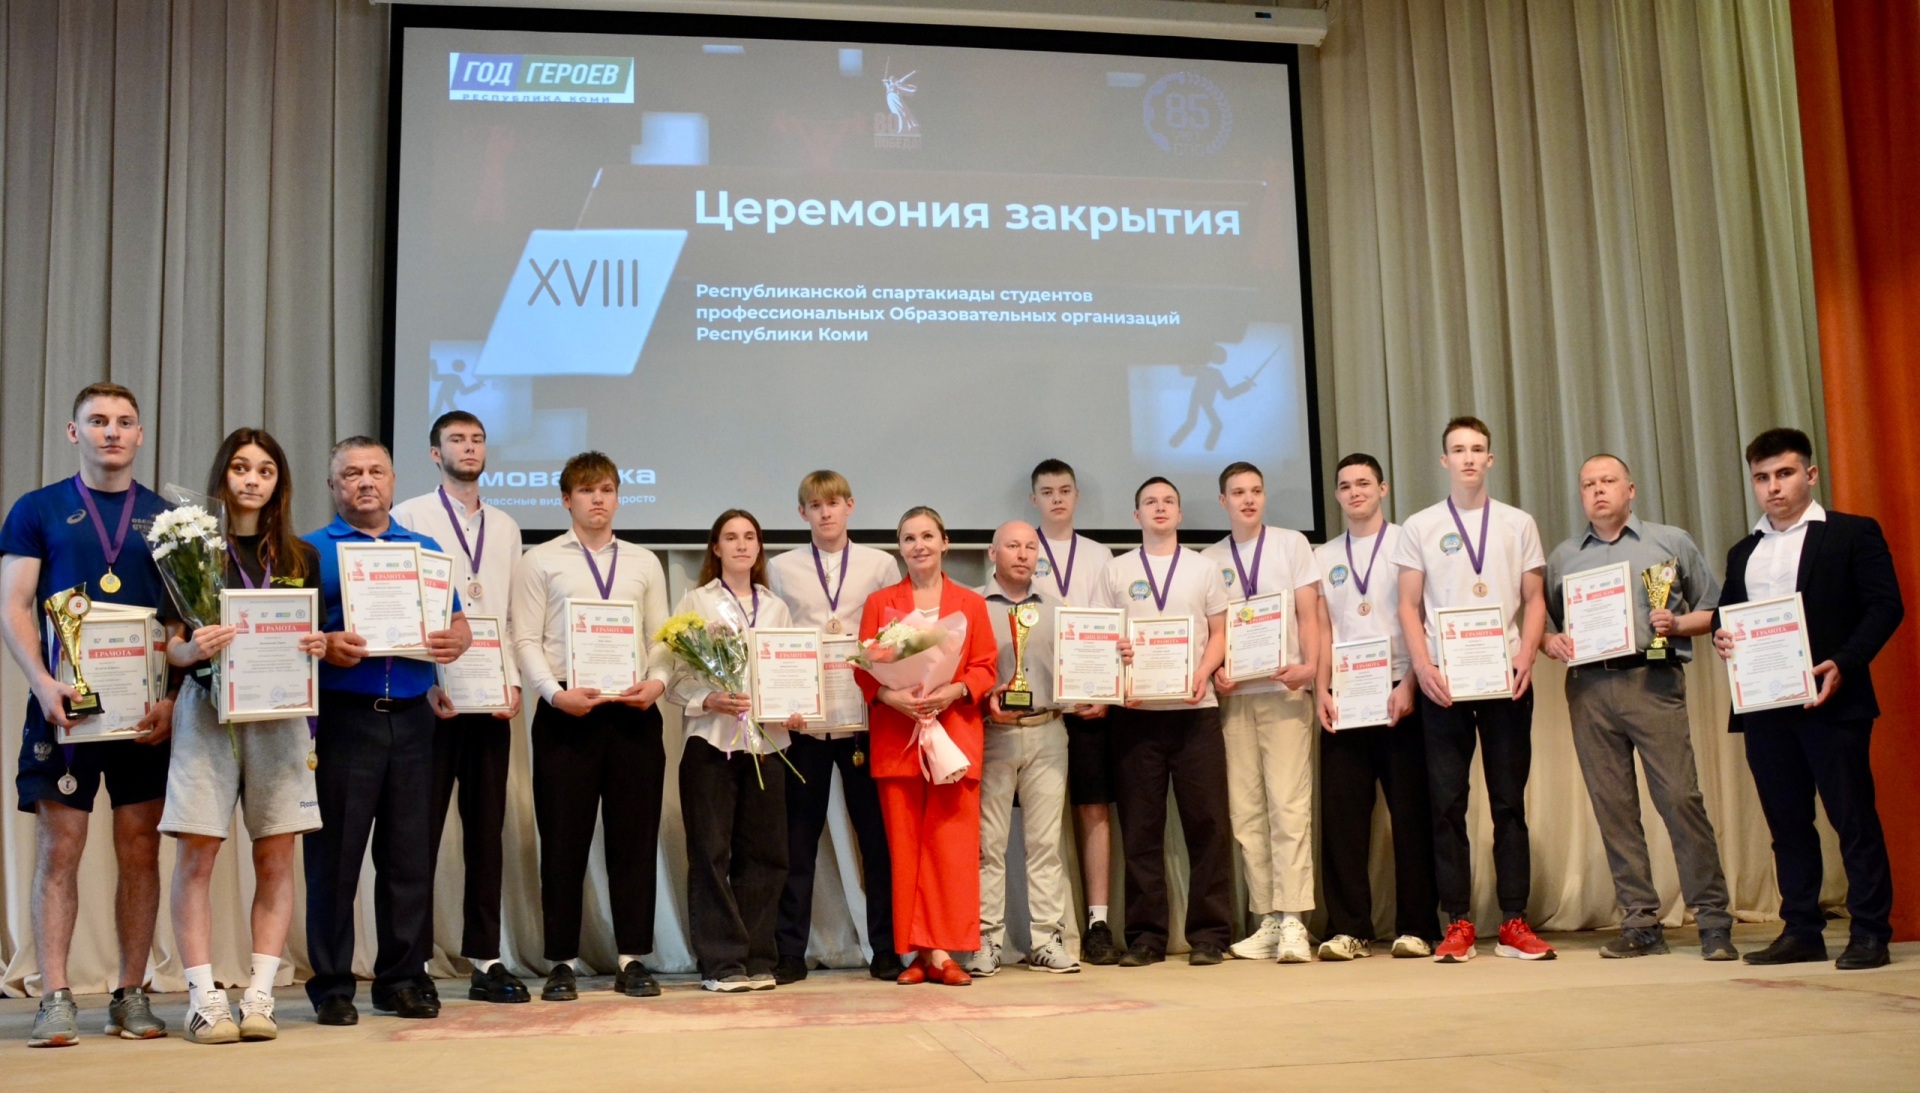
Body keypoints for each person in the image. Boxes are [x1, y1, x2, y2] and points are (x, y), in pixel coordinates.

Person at [3, 383, 176, 1047]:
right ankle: (54, 997)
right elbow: (14, 604)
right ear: (74, 432)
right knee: (61, 848)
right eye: (98, 421)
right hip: (64, 707)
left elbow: (182, 619)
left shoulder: (167, 519)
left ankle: (131, 994)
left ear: (140, 434)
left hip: (143, 713)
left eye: (124, 422)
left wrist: (170, 697)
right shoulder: (37, 508)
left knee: (140, 848)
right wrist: (42, 683)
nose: (112, 432)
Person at [1714, 427, 1903, 970]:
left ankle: (1870, 932)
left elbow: (1885, 606)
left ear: (1810, 474)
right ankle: (1801, 930)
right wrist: (1723, 635)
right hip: (1763, 706)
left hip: (1832, 700)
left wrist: (1844, 662)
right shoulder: (1743, 551)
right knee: (1787, 823)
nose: (1773, 487)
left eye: (1784, 473)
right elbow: (1728, 613)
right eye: (1762, 477)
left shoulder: (1851, 533)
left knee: (1853, 818)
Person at [161, 429, 327, 1043]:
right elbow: (172, 644)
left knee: (275, 857)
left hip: (280, 716)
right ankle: (203, 998)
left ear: (279, 482)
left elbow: (314, 636)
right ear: (223, 476)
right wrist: (191, 650)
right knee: (197, 854)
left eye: (264, 470)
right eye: (240, 467)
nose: (252, 479)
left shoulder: (300, 557)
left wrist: (317, 643)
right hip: (206, 712)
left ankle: (259, 996)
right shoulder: (190, 547)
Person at [303, 437, 471, 1025]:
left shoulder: (424, 550)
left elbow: (456, 621)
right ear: (333, 486)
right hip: (344, 718)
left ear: (394, 481)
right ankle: (332, 985)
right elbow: (288, 635)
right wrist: (324, 644)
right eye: (351, 473)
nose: (365, 481)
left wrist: (459, 638)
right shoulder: (309, 552)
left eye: (376, 471)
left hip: (413, 718)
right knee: (335, 859)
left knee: (408, 859)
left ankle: (402, 979)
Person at [1542, 454, 1736, 961]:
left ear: (1630, 489)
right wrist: (1550, 641)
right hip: (1589, 688)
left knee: (1680, 799)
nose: (1598, 490)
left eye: (1608, 481)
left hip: (1652, 680)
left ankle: (1713, 920)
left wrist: (1678, 624)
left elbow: (1714, 610)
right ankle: (1641, 923)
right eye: (1588, 484)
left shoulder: (1669, 542)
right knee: (1614, 809)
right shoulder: (1564, 557)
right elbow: (1547, 628)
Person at [508, 451, 673, 1001]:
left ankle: (632, 957)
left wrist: (658, 682)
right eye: (585, 490)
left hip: (633, 713)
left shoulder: (644, 562)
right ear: (566, 500)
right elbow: (525, 638)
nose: (597, 499)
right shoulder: (540, 560)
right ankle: (560, 960)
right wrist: (554, 694)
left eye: (606, 489)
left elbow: (661, 638)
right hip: (566, 715)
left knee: (634, 840)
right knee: (563, 841)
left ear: (618, 497)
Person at [1394, 416, 1553, 963]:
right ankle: (1458, 922)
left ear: (1490, 459)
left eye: (1476, 449)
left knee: (1509, 802)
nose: (1467, 458)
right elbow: (1408, 605)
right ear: (1444, 460)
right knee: (1447, 806)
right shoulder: (1420, 525)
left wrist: (1526, 654)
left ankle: (1513, 921)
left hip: (1506, 679)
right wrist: (1422, 666)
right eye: (1457, 449)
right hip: (1445, 683)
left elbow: (1534, 599)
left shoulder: (1518, 523)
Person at [391, 410, 529, 1004]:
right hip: (433, 695)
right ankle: (415, 960)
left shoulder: (507, 526)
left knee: (486, 832)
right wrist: (425, 682)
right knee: (417, 833)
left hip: (490, 699)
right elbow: (400, 609)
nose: (468, 448)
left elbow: (512, 612)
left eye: (476, 440)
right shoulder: (409, 516)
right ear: (434, 453)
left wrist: (513, 682)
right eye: (456, 440)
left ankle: (486, 958)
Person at [766, 470, 903, 983]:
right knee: (797, 841)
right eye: (815, 505)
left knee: (876, 840)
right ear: (802, 513)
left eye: (834, 503)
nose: (825, 513)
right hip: (805, 724)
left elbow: (893, 636)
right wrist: (785, 701)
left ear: (850, 506)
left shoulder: (879, 563)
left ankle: (885, 947)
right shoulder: (781, 567)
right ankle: (789, 951)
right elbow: (775, 639)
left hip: (863, 721)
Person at [1093, 478, 1233, 967]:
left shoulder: (1203, 567)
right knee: (1141, 830)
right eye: (1150, 502)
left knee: (1208, 826)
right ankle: (1146, 937)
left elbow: (1220, 632)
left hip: (1196, 712)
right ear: (1136, 515)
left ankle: (1210, 935)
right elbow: (1102, 637)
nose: (1159, 508)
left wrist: (1203, 672)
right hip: (1135, 718)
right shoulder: (1116, 570)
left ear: (1179, 513)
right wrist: (1117, 658)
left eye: (1168, 501)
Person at [858, 506, 999, 985]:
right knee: (905, 851)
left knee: (950, 850)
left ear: (945, 542)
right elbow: (864, 669)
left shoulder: (971, 603)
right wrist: (891, 696)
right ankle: (919, 954)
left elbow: (985, 666)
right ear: (900, 547)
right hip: (899, 740)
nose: (918, 545)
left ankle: (942, 951)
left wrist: (955, 690)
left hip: (954, 739)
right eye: (909, 538)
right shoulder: (880, 602)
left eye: (927, 536)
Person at [667, 509, 804, 992]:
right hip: (711, 743)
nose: (741, 544)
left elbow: (789, 671)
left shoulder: (776, 607)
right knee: (711, 854)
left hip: (767, 745)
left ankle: (758, 957)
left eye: (749, 536)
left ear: (759, 547)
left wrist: (795, 708)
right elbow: (674, 679)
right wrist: (709, 699)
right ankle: (721, 963)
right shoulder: (696, 602)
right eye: (731, 537)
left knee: (767, 855)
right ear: (716, 548)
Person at [1312, 454, 1439, 961]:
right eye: (1345, 485)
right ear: (1337, 495)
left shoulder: (1409, 542)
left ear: (1383, 489)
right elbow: (1323, 628)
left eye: (1364, 483)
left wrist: (1411, 683)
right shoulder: (1323, 555)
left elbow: (1422, 617)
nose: (1354, 492)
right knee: (1342, 819)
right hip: (1345, 696)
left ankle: (1418, 926)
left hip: (1400, 692)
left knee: (1412, 815)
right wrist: (1320, 689)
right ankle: (1349, 929)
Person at [1203, 462, 1323, 964]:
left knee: (1288, 806)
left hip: (1284, 693)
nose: (1248, 499)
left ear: (1264, 496)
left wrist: (1310, 667)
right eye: (1238, 492)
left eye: (1255, 491)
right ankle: (1268, 919)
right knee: (1246, 811)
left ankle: (1294, 918)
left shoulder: (1291, 544)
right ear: (1223, 501)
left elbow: (1309, 615)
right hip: (1236, 700)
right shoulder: (1210, 559)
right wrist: (1216, 673)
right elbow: (1211, 632)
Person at [969, 520, 1080, 976]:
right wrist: (984, 704)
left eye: (1030, 547)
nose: (1022, 554)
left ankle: (1047, 939)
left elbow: (1079, 667)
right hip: (992, 734)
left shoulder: (1058, 609)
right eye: (1012, 545)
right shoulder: (972, 607)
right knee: (988, 844)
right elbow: (960, 672)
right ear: (992, 553)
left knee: (1045, 844)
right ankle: (985, 940)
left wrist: (1110, 667)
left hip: (1048, 730)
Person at [1029, 458, 1119, 964]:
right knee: (1037, 820)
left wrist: (1106, 692)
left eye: (1065, 490)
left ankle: (1098, 921)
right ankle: (1042, 926)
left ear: (1077, 496)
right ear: (1034, 499)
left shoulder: (1100, 555)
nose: (1057, 499)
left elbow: (1114, 625)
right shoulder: (1022, 548)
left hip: (1089, 703)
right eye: (1047, 492)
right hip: (1038, 706)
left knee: (1093, 808)